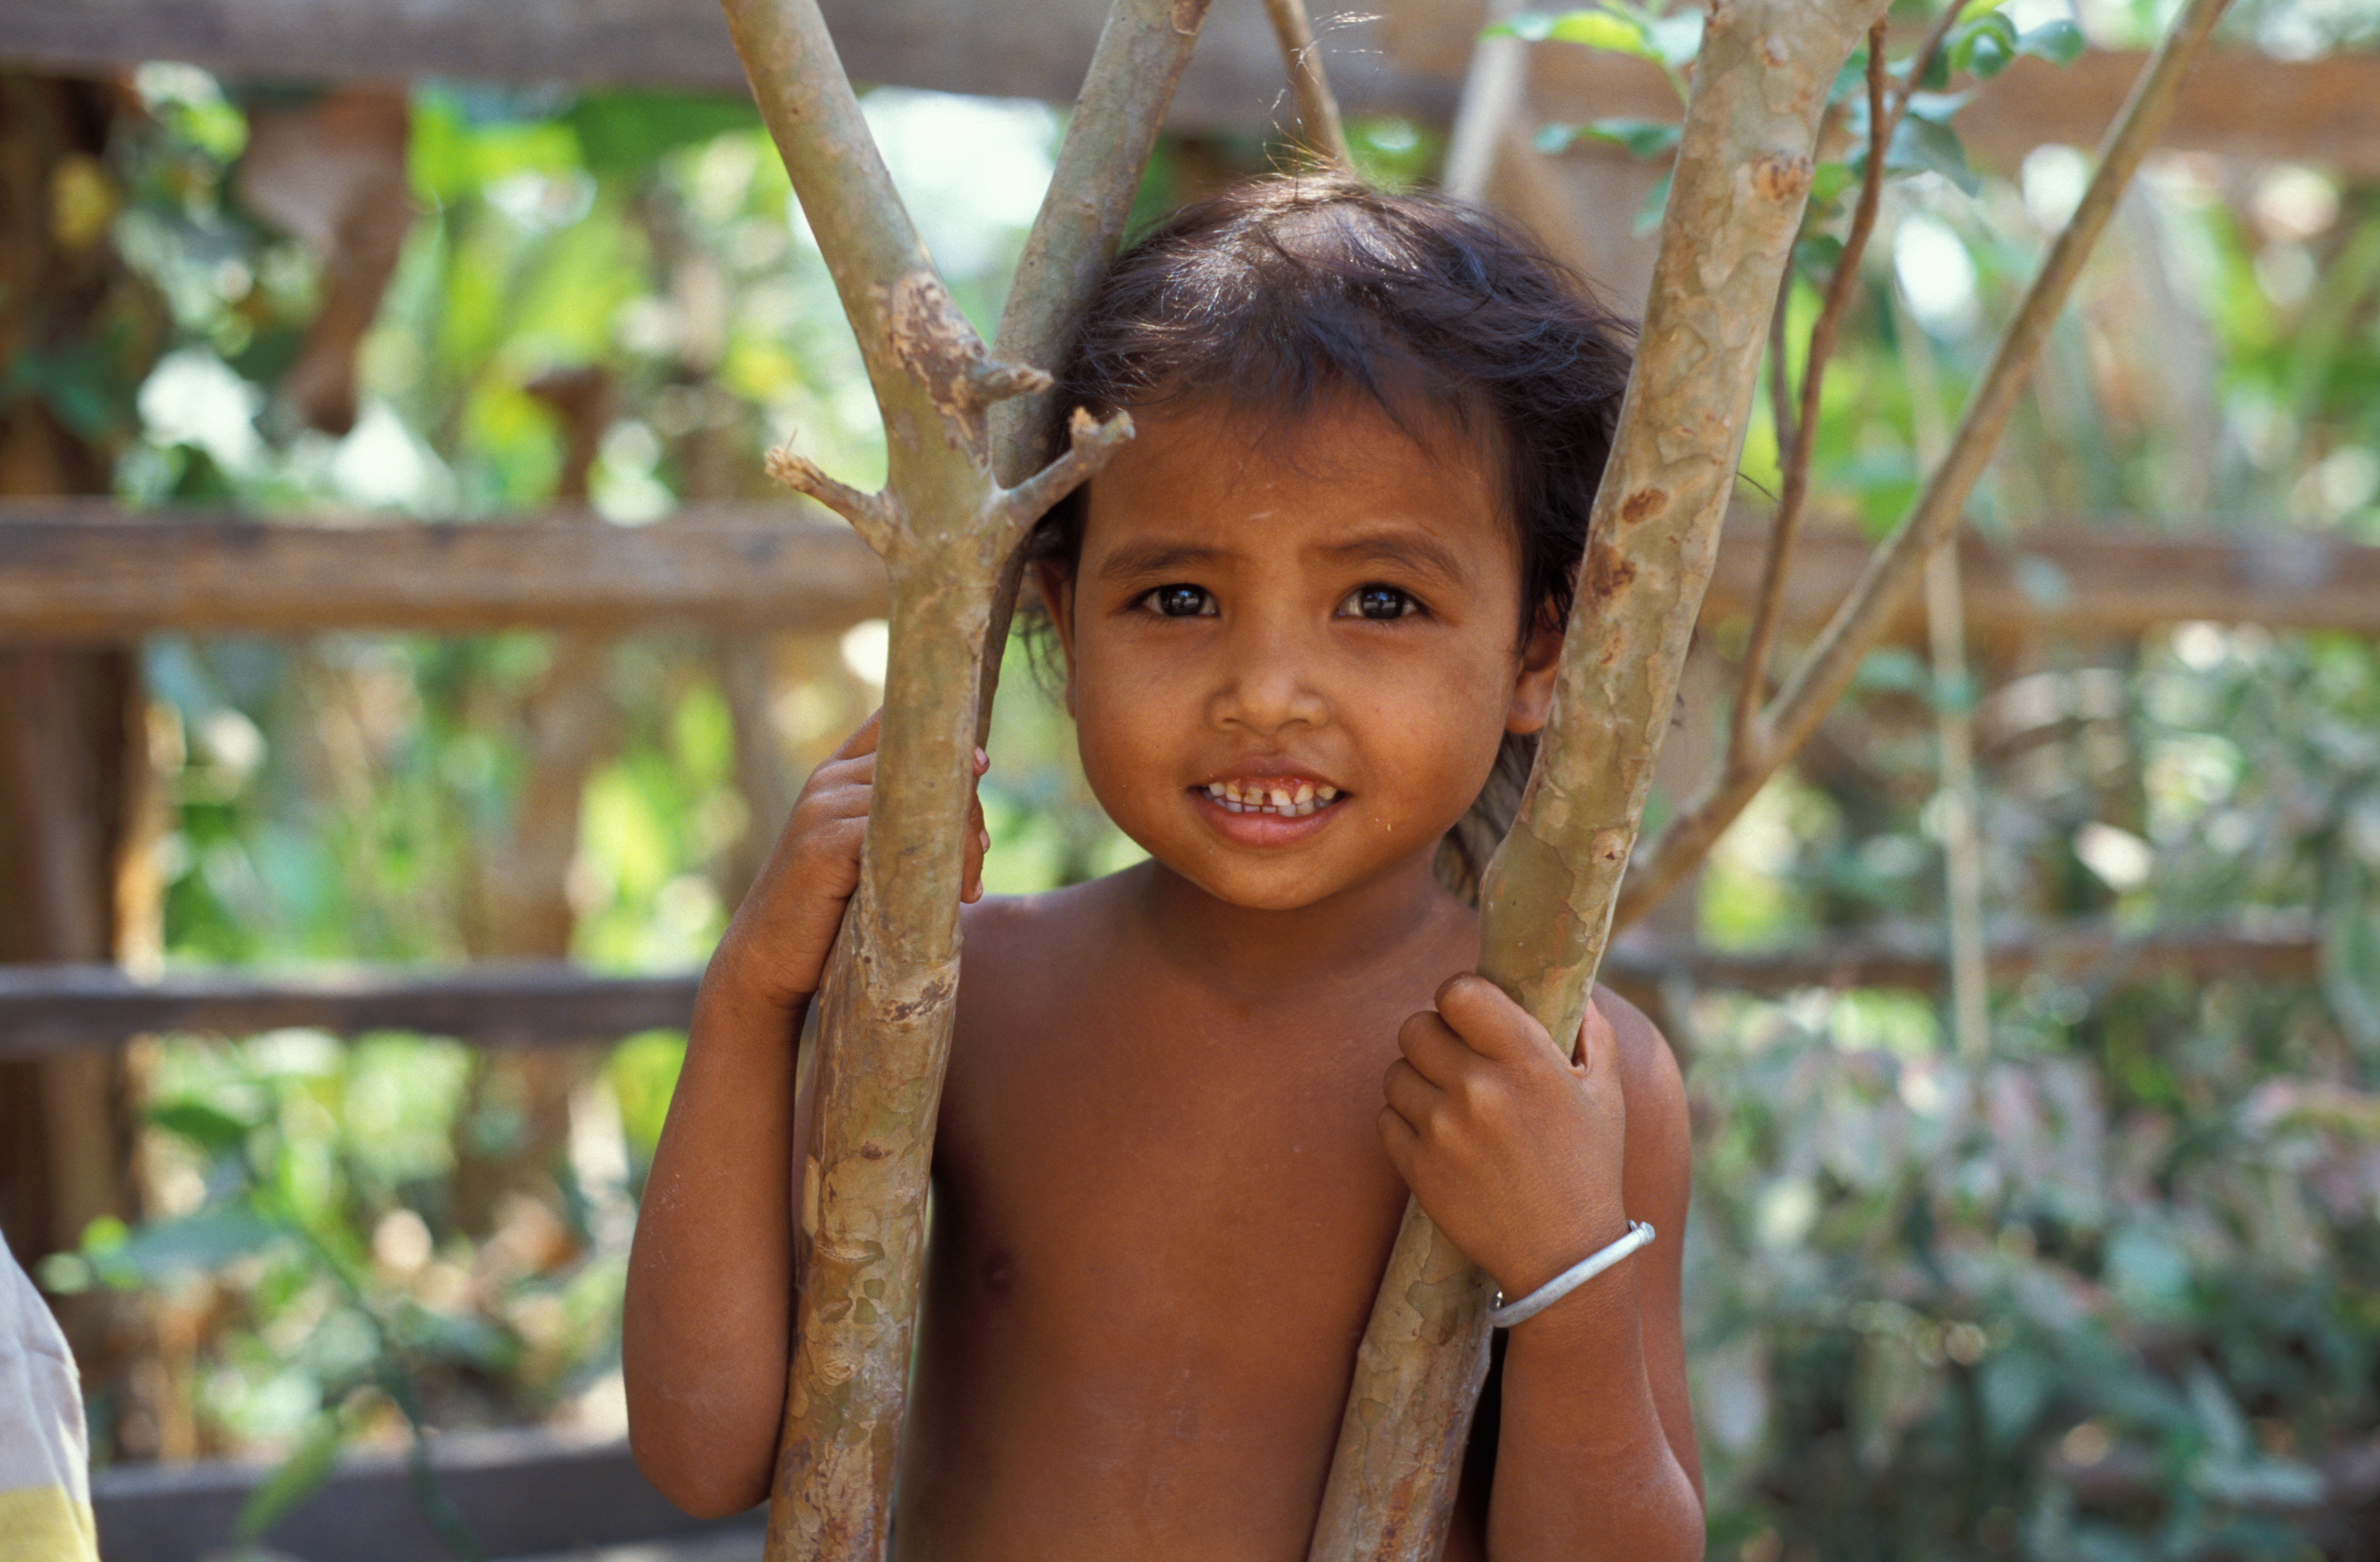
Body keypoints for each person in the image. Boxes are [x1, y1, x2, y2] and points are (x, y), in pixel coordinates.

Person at [623, 173, 1702, 1561]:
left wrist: (1566, 1271)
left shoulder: (1565, 1082)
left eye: (1379, 601)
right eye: (1178, 598)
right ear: (1065, 631)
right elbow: (704, 1453)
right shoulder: (961, 995)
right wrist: (753, 1001)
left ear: (1537, 656)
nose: (1264, 690)